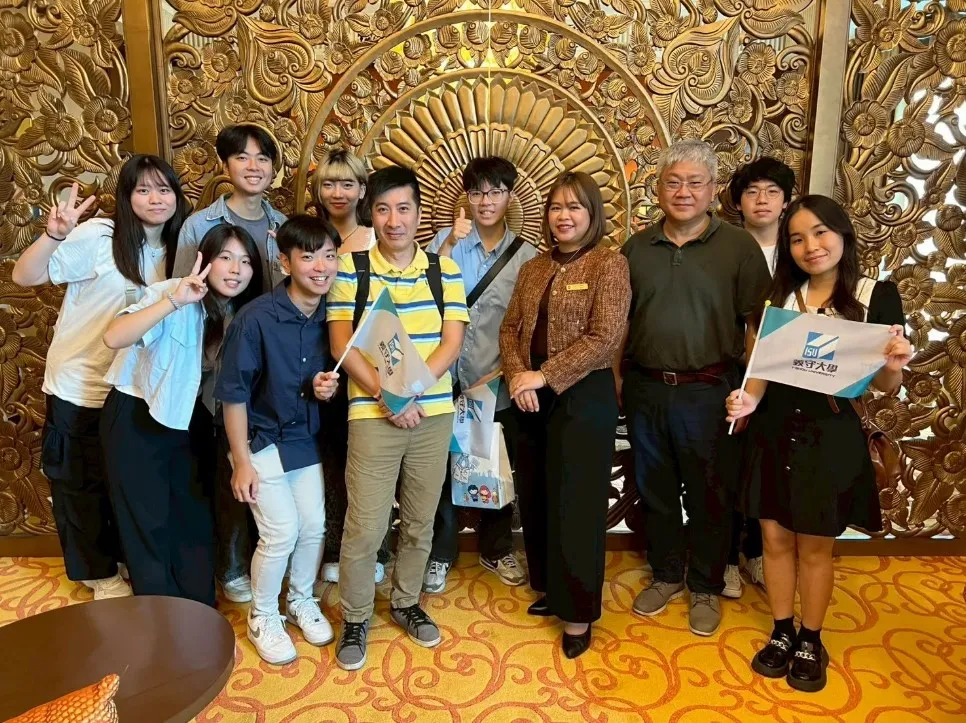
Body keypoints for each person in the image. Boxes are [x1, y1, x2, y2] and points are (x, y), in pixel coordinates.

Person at [725, 195, 911, 692]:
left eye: (821, 232)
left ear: (842, 233)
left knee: (814, 546)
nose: (811, 246)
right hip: (773, 431)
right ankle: (782, 629)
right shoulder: (779, 297)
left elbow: (884, 385)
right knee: (774, 539)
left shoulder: (874, 295)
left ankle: (811, 637)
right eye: (797, 238)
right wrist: (744, 400)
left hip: (829, 435)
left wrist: (893, 365)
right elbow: (761, 371)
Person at [12, 155, 189, 601]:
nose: (155, 199)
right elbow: (24, 275)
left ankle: (124, 558)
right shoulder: (99, 236)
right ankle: (99, 574)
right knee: (79, 484)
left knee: (125, 484)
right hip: (81, 384)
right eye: (143, 190)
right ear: (126, 196)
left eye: (164, 189)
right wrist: (55, 234)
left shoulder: (181, 249)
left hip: (133, 390)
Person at [617, 139, 771, 636]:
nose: (683, 192)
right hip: (646, 388)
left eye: (694, 183)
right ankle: (666, 574)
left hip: (710, 391)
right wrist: (618, 379)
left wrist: (751, 391)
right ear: (658, 188)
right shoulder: (636, 247)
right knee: (655, 489)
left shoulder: (738, 247)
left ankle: (705, 585)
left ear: (712, 190)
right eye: (673, 182)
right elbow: (620, 323)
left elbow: (758, 326)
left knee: (710, 493)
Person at [326, 165, 469, 671]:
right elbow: (341, 344)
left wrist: (409, 393)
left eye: (403, 209)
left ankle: (407, 601)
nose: (394, 220)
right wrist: (388, 396)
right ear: (372, 213)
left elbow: (452, 343)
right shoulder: (352, 267)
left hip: (432, 413)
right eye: (383, 210)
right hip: (372, 413)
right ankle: (356, 616)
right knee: (365, 526)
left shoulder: (444, 271)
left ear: (419, 213)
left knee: (419, 520)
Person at [499, 171, 630, 659]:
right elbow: (510, 329)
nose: (564, 216)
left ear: (592, 213)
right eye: (556, 207)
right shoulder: (534, 267)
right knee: (537, 496)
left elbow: (604, 338)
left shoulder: (609, 264)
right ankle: (551, 588)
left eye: (575, 207)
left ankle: (577, 613)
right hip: (530, 396)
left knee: (576, 505)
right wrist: (519, 376)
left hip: (582, 396)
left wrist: (544, 375)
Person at [100, 223, 263, 606]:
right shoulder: (173, 291)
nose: (236, 269)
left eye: (245, 261)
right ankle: (161, 616)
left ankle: (197, 608)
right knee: (148, 523)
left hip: (190, 420)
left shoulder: (242, 314)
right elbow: (114, 336)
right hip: (137, 414)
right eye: (225, 258)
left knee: (193, 518)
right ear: (205, 260)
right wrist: (175, 300)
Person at [216, 215, 341, 666]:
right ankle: (263, 615)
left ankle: (301, 599)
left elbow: (326, 380)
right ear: (285, 263)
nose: (321, 267)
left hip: (302, 437)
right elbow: (233, 395)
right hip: (258, 439)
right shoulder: (255, 318)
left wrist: (326, 389)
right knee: (281, 531)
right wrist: (241, 462)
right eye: (308, 257)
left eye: (329, 256)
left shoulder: (333, 316)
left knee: (314, 526)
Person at [175, 123, 287, 604]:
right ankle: (230, 565)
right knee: (220, 473)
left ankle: (257, 557)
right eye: (243, 157)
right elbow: (182, 299)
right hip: (210, 371)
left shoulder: (282, 225)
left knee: (257, 468)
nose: (253, 166)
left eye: (262, 158)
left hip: (266, 369)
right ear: (226, 165)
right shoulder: (199, 225)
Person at [423, 156, 538, 593]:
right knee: (438, 468)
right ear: (465, 197)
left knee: (495, 466)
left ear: (510, 196)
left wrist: (503, 372)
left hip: (496, 380)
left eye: (495, 192)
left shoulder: (526, 256)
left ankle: (496, 548)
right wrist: (450, 244)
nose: (486, 201)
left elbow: (528, 325)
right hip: (443, 378)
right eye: (476, 192)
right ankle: (440, 553)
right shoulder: (444, 241)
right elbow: (423, 296)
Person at [311, 149, 389, 586]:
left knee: (368, 461)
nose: (337, 193)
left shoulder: (376, 237)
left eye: (347, 184)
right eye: (328, 184)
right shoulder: (309, 235)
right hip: (315, 358)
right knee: (328, 459)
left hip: (365, 359)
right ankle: (333, 546)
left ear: (362, 190)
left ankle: (374, 546)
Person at [722, 156, 796, 597]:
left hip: (786, 376)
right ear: (738, 202)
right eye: (752, 192)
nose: (762, 200)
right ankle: (728, 558)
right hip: (732, 369)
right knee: (730, 464)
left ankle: (758, 554)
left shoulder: (799, 249)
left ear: (786, 201)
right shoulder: (723, 246)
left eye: (772, 192)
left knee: (768, 466)